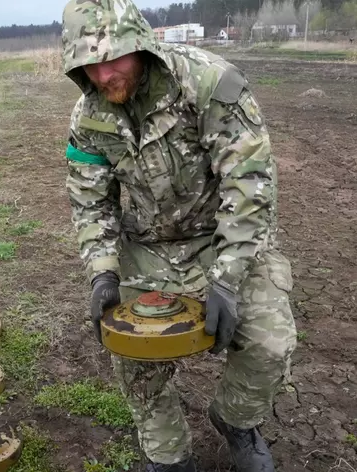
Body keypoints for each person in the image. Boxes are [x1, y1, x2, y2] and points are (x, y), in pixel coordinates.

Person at [61, 1, 297, 471]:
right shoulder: (87, 117)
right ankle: (168, 455)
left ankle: (237, 421)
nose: (104, 74)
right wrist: (103, 274)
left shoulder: (210, 85)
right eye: (90, 63)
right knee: (129, 349)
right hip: (147, 248)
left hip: (222, 238)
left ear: (143, 47)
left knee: (270, 344)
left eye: (115, 58)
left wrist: (227, 280)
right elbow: (91, 202)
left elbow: (248, 187)